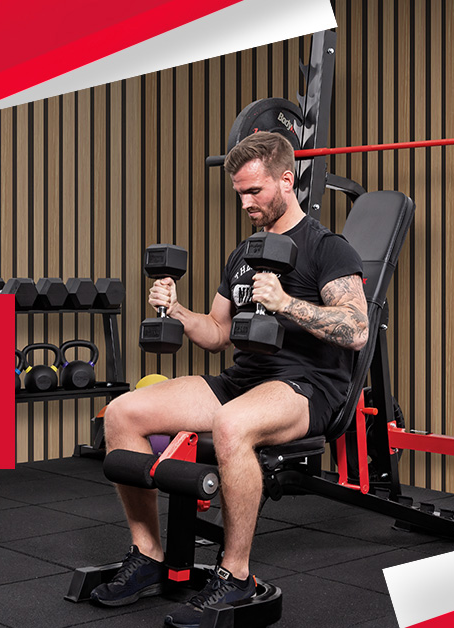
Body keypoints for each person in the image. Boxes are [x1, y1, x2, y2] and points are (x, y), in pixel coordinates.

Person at [91, 131, 369, 627]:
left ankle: (236, 575)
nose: (245, 202)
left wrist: (285, 303)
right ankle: (148, 555)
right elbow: (218, 333)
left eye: (254, 191)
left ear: (287, 181)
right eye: (239, 193)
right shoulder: (244, 254)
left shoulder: (329, 247)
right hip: (243, 377)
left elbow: (356, 330)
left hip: (307, 388)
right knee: (123, 412)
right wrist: (177, 310)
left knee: (232, 425)